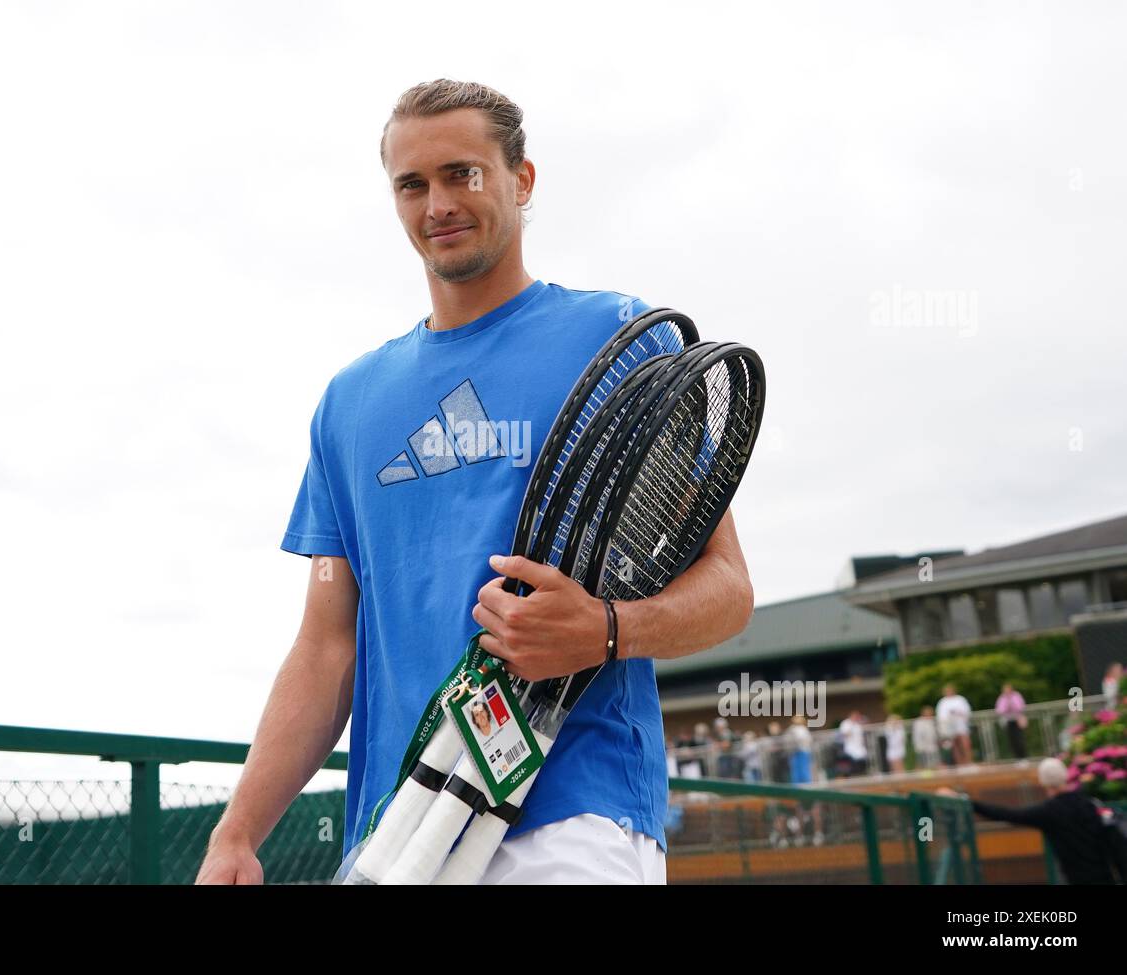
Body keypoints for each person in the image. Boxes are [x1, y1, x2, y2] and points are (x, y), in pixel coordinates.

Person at [194, 80, 755, 886]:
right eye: (412, 184)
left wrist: (605, 629)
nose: (438, 204)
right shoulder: (348, 405)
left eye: (464, 174)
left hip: (574, 821)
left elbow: (729, 587)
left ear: (521, 181)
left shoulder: (618, 337)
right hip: (398, 835)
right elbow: (326, 646)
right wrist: (238, 832)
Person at [937, 758, 1127, 885]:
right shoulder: (1088, 803)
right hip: (1107, 878)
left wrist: (964, 800)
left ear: (1043, 782)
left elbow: (1005, 814)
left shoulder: (1048, 812)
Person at [936, 684, 973, 766]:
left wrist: (957, 713)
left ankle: (969, 762)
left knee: (965, 744)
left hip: (961, 725)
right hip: (949, 728)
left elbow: (967, 712)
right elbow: (941, 717)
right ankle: (960, 763)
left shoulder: (960, 699)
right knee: (955, 746)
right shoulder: (942, 702)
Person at [995, 682, 1028, 760]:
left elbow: (1021, 707)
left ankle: (1023, 757)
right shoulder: (1002, 698)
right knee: (1012, 740)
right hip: (1008, 721)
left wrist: (1012, 704)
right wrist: (1006, 706)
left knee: (1019, 739)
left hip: (1017, 719)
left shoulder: (1016, 696)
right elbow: (999, 710)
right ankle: (1017, 758)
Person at [839, 710, 868, 777]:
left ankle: (861, 773)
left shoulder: (858, 723)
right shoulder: (846, 723)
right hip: (851, 747)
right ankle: (854, 774)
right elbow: (845, 734)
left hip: (860, 746)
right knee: (853, 761)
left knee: (862, 760)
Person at [786, 714, 813, 784]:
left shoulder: (802, 729)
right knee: (796, 770)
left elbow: (807, 740)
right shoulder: (792, 729)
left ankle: (806, 785)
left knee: (803, 769)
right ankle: (799, 785)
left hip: (803, 751)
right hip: (796, 751)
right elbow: (787, 739)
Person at [912, 705, 939, 771]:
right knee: (921, 763)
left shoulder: (932, 721)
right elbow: (918, 736)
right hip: (922, 747)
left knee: (934, 763)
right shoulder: (919, 722)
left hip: (932, 747)